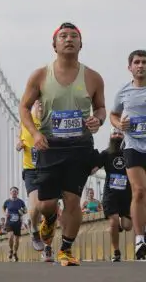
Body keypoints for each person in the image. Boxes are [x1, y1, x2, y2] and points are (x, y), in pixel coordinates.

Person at [19, 22, 106, 266]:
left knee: (72, 199)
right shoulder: (39, 75)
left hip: (80, 146)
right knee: (47, 204)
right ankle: (48, 220)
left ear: (81, 44)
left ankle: (66, 249)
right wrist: (35, 134)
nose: (69, 39)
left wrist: (98, 120)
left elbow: (101, 108)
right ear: (54, 45)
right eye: (63, 36)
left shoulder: (93, 77)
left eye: (74, 36)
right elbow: (24, 107)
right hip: (50, 145)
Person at [110, 49, 146, 259]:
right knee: (139, 191)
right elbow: (113, 115)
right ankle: (140, 239)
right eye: (137, 62)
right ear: (130, 67)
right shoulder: (123, 91)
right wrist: (119, 124)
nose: (141, 66)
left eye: (144, 62)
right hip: (133, 145)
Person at [92, 128, 132, 262]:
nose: (117, 136)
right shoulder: (106, 154)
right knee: (113, 221)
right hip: (111, 194)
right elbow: (93, 170)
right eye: (114, 133)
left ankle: (120, 223)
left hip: (127, 195)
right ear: (110, 136)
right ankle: (116, 251)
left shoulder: (130, 153)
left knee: (128, 226)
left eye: (120, 133)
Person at [16, 100, 45, 253]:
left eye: (43, 102)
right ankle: (34, 229)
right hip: (31, 170)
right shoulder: (25, 121)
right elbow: (19, 139)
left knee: (48, 208)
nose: (40, 105)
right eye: (37, 103)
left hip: (49, 169)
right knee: (35, 206)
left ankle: (48, 245)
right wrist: (18, 145)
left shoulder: (51, 120)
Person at [3, 186, 27, 262]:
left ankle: (15, 253)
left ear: (17, 193)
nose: (14, 193)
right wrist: (5, 214)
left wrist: (22, 212)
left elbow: (26, 210)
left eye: (15, 191)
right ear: (10, 193)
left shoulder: (21, 201)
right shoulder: (7, 201)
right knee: (10, 237)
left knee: (16, 240)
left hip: (17, 222)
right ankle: (11, 250)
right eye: (13, 191)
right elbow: (3, 208)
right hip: (9, 222)